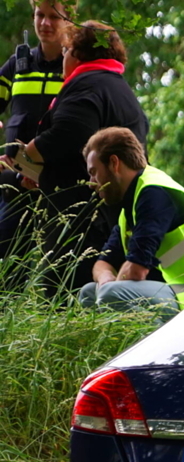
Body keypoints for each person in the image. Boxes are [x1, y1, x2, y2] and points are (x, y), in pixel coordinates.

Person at [20, 20, 149, 296]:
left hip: (82, 220)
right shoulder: (116, 86)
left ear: (78, 54)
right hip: (112, 213)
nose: (63, 58)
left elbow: (67, 136)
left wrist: (28, 152)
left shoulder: (87, 86)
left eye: (66, 51)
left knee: (65, 292)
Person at [79, 127, 184, 319]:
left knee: (112, 295)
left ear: (114, 163)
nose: (91, 183)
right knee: (89, 293)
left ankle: (159, 340)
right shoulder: (130, 208)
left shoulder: (155, 193)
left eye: (94, 172)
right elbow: (102, 263)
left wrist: (109, 287)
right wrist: (105, 279)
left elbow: (136, 270)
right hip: (179, 292)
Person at [0, 1, 71, 280]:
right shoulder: (18, 64)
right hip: (15, 185)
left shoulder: (76, 66)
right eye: (40, 15)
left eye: (55, 17)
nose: (45, 23)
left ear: (69, 20)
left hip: (61, 185)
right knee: (8, 269)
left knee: (60, 274)